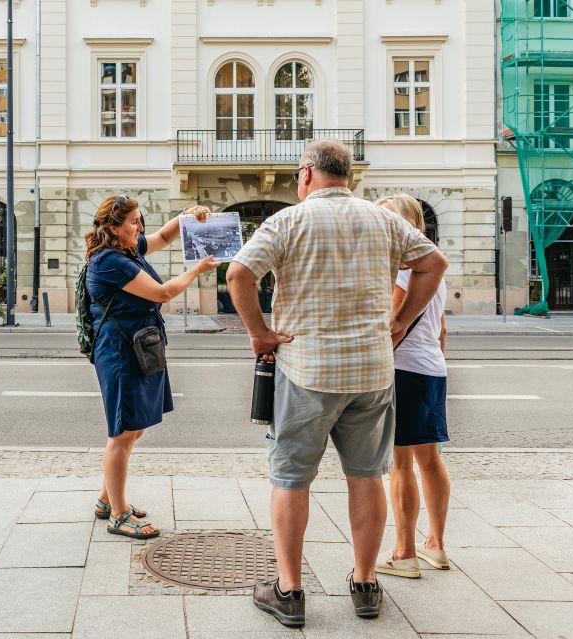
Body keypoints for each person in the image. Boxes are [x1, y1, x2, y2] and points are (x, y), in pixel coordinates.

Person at [226, 139, 448, 627]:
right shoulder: (384, 219)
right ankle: (366, 584)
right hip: (371, 371)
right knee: (366, 474)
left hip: (306, 369)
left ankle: (289, 591)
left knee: (291, 478)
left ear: (306, 174)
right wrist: (401, 323)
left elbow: (239, 273)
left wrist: (259, 333)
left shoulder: (287, 220)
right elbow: (433, 264)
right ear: (349, 175)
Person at [85, 195, 218, 539]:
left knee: (135, 427)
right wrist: (197, 270)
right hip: (119, 350)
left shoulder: (128, 250)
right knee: (122, 433)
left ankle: (105, 499)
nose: (140, 228)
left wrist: (186, 216)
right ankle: (117, 515)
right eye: (133, 223)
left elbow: (162, 238)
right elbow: (160, 294)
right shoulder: (110, 261)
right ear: (114, 228)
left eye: (140, 220)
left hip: (138, 345)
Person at [374, 194, 451, 579]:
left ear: (404, 223)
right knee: (430, 460)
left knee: (399, 464)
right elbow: (441, 331)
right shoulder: (431, 266)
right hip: (432, 370)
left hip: (402, 369)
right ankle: (435, 544)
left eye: (386, 218)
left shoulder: (404, 268)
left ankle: (404, 552)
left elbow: (394, 323)